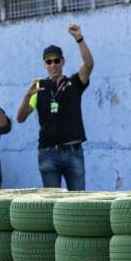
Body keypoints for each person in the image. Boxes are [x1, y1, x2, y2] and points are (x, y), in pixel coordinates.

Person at [15, 23, 94, 191]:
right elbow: (20, 118)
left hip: (73, 151)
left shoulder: (73, 83)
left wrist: (79, 38)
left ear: (63, 61)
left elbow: (88, 65)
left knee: (79, 201)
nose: (53, 65)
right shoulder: (39, 87)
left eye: (56, 60)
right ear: (44, 64)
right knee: (52, 202)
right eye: (49, 62)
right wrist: (27, 96)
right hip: (48, 153)